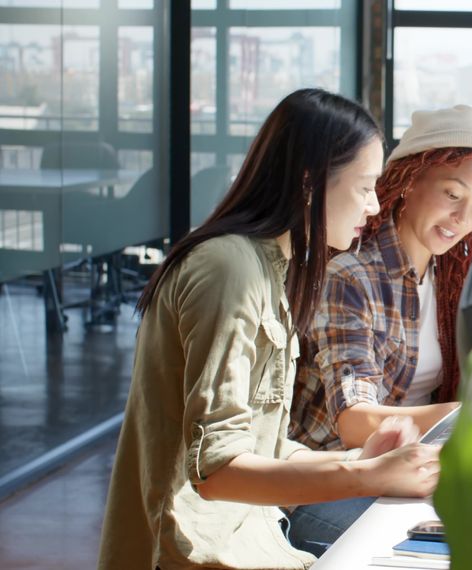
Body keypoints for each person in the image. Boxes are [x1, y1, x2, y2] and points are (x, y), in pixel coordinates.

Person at [98, 88, 439, 570]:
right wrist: (364, 476)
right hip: (190, 555)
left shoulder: (269, 267)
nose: (372, 206)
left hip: (252, 541)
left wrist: (363, 459)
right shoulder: (228, 271)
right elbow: (217, 471)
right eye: (364, 187)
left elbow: (266, 449)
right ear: (308, 183)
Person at [287, 105, 472, 551]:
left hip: (409, 472)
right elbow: (354, 421)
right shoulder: (351, 275)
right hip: (332, 481)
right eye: (452, 194)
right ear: (409, 180)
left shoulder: (449, 277)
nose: (464, 220)